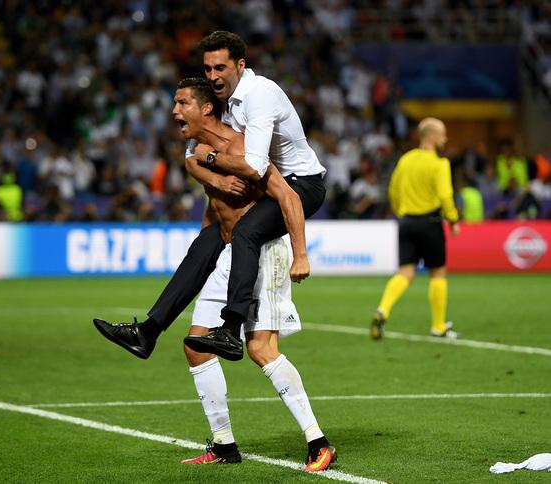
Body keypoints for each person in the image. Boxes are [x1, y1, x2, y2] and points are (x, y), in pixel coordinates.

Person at [93, 31, 326, 362]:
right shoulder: (226, 104)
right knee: (206, 241)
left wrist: (301, 255)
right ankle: (148, 331)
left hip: (301, 184)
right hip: (270, 184)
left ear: (240, 65)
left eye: (220, 68)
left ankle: (230, 331)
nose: (213, 76)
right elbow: (195, 152)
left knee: (246, 230)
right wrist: (199, 167)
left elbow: (254, 165)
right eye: (208, 69)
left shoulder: (259, 96)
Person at [170, 78, 338, 471]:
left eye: (181, 104)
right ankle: (224, 445)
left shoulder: (243, 145)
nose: (175, 112)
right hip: (231, 253)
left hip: (263, 251)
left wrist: (301, 254)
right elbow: (215, 211)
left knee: (261, 348)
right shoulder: (198, 151)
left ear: (204, 108)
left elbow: (288, 195)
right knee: (196, 346)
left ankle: (318, 442)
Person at [371, 117, 461, 340]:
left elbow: (393, 190)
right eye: (442, 133)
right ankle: (438, 326)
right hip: (430, 222)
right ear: (430, 136)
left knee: (405, 272)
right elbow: (445, 195)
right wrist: (453, 220)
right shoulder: (440, 163)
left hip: (407, 221)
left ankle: (383, 309)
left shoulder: (406, 160)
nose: (445, 138)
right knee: (438, 272)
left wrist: (400, 211)